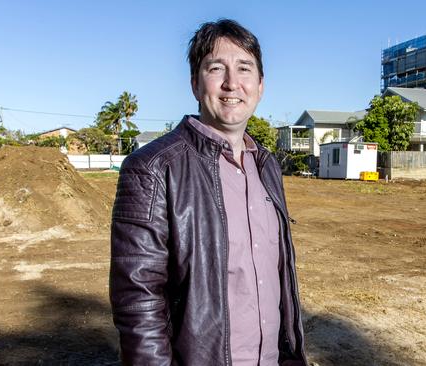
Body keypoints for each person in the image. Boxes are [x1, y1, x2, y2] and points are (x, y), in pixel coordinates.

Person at [109, 19, 307, 366]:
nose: (232, 83)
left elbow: (279, 277)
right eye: (217, 68)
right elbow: (137, 299)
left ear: (260, 86)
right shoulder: (152, 168)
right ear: (195, 83)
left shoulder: (266, 165)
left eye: (244, 69)